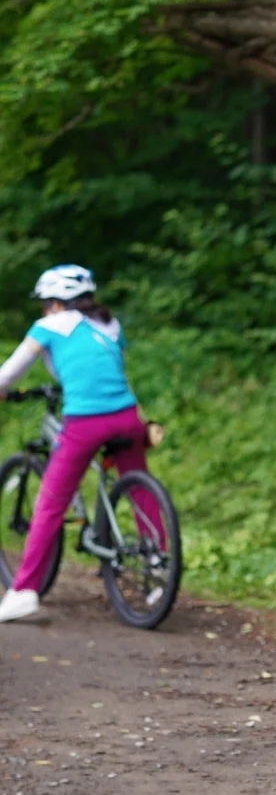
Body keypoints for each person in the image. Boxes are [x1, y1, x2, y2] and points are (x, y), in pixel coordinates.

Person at [0, 265, 158, 624]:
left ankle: (24, 590)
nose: (43, 310)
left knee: (50, 503)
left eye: (44, 304)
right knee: (140, 490)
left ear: (55, 303)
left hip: (86, 422)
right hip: (128, 417)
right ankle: (156, 562)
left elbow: (8, 374)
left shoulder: (49, 327)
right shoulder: (110, 323)